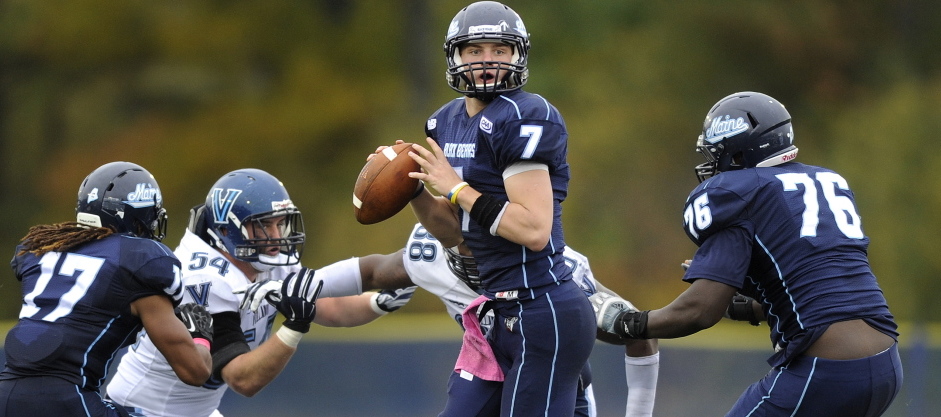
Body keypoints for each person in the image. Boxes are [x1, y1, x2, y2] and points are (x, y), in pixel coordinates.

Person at [595, 91, 903, 416]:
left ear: (738, 152)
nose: (712, 163)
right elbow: (822, 293)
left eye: (716, 153)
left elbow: (700, 311)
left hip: (826, 369)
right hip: (886, 363)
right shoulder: (824, 181)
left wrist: (628, 323)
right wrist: (747, 307)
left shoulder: (739, 194)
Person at [240, 222, 661, 417]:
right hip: (486, 365)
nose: (479, 262)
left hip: (547, 368)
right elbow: (372, 270)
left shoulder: (559, 267)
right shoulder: (430, 255)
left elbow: (640, 333)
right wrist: (304, 284)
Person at [403, 2, 596, 415]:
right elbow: (455, 231)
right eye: (475, 50)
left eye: (499, 50)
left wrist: (457, 188)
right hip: (495, 309)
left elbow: (533, 229)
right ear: (455, 57)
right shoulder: (443, 122)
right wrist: (411, 189)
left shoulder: (526, 116)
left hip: (543, 309)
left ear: (517, 55)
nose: (487, 60)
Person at [106, 168, 414, 417]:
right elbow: (242, 379)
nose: (276, 236)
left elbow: (328, 305)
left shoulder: (265, 261)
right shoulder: (203, 280)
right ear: (225, 229)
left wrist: (379, 302)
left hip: (195, 409)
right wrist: (293, 327)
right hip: (143, 410)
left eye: (280, 223)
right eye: (264, 226)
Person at [0, 162, 213, 417]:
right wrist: (201, 336)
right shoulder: (138, 261)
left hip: (5, 395)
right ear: (139, 216)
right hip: (67, 400)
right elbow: (195, 372)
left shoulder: (44, 249)